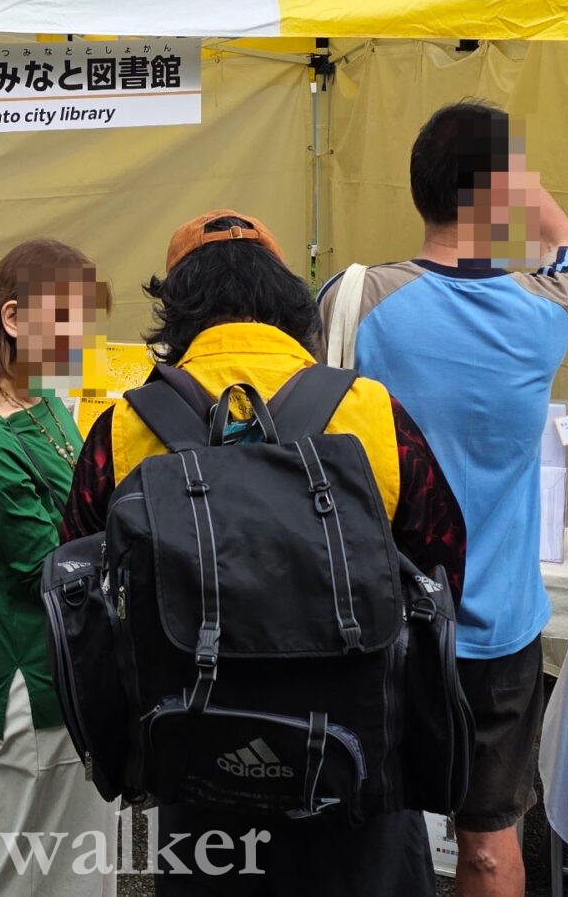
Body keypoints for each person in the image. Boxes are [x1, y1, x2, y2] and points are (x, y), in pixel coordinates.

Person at [61, 211, 467, 897]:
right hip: (358, 764)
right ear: (288, 303)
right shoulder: (369, 411)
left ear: (176, 310)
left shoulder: (123, 429)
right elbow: (442, 560)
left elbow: (81, 586)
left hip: (199, 770)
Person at [316, 103, 568, 897]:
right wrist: (525, 185)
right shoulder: (550, 311)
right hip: (497, 629)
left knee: (365, 832)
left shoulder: (352, 299)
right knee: (492, 846)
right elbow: (567, 245)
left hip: (376, 620)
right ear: (499, 194)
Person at [0, 238, 119, 897]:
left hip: (77, 663)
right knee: (28, 870)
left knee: (86, 859)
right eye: (66, 321)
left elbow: (89, 507)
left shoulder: (43, 402)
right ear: (13, 319)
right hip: (37, 674)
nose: (80, 340)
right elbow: (52, 570)